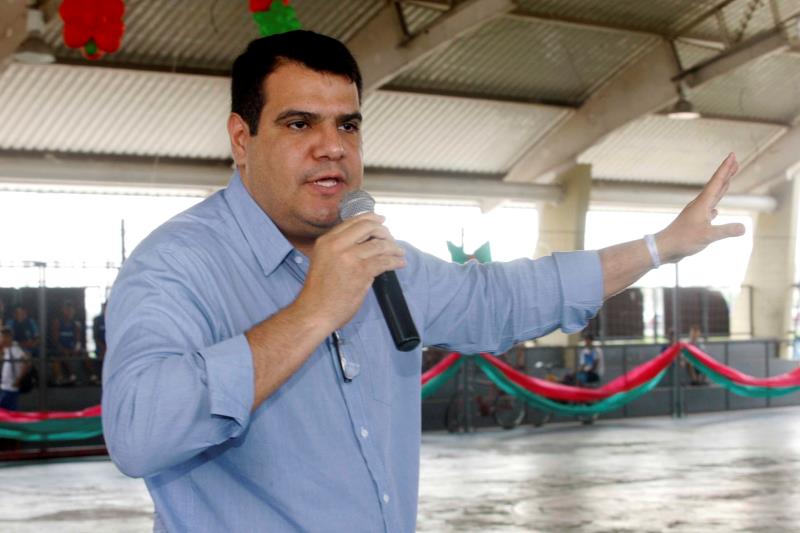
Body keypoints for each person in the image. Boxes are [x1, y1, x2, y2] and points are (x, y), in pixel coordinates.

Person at [102, 30, 745, 532]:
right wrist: (312, 313)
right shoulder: (175, 267)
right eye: (300, 124)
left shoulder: (377, 259)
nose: (333, 147)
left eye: (348, 124)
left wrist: (660, 247)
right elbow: (137, 434)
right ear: (242, 139)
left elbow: (501, 298)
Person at [49, 300, 80, 386]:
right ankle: (63, 378)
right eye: (67, 309)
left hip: (71, 350)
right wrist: (64, 350)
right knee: (61, 356)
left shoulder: (76, 324)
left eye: (71, 309)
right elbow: (55, 341)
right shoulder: (57, 322)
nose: (69, 311)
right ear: (62, 310)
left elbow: (78, 341)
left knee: (85, 355)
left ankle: (93, 377)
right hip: (58, 350)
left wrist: (75, 349)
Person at [0, 327, 31, 411]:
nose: (1, 339)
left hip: (10, 387)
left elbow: (27, 363)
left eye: (2, 337)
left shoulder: (15, 349)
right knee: (9, 411)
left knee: (7, 411)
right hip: (5, 387)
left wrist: (18, 380)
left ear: (8, 337)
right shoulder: (7, 348)